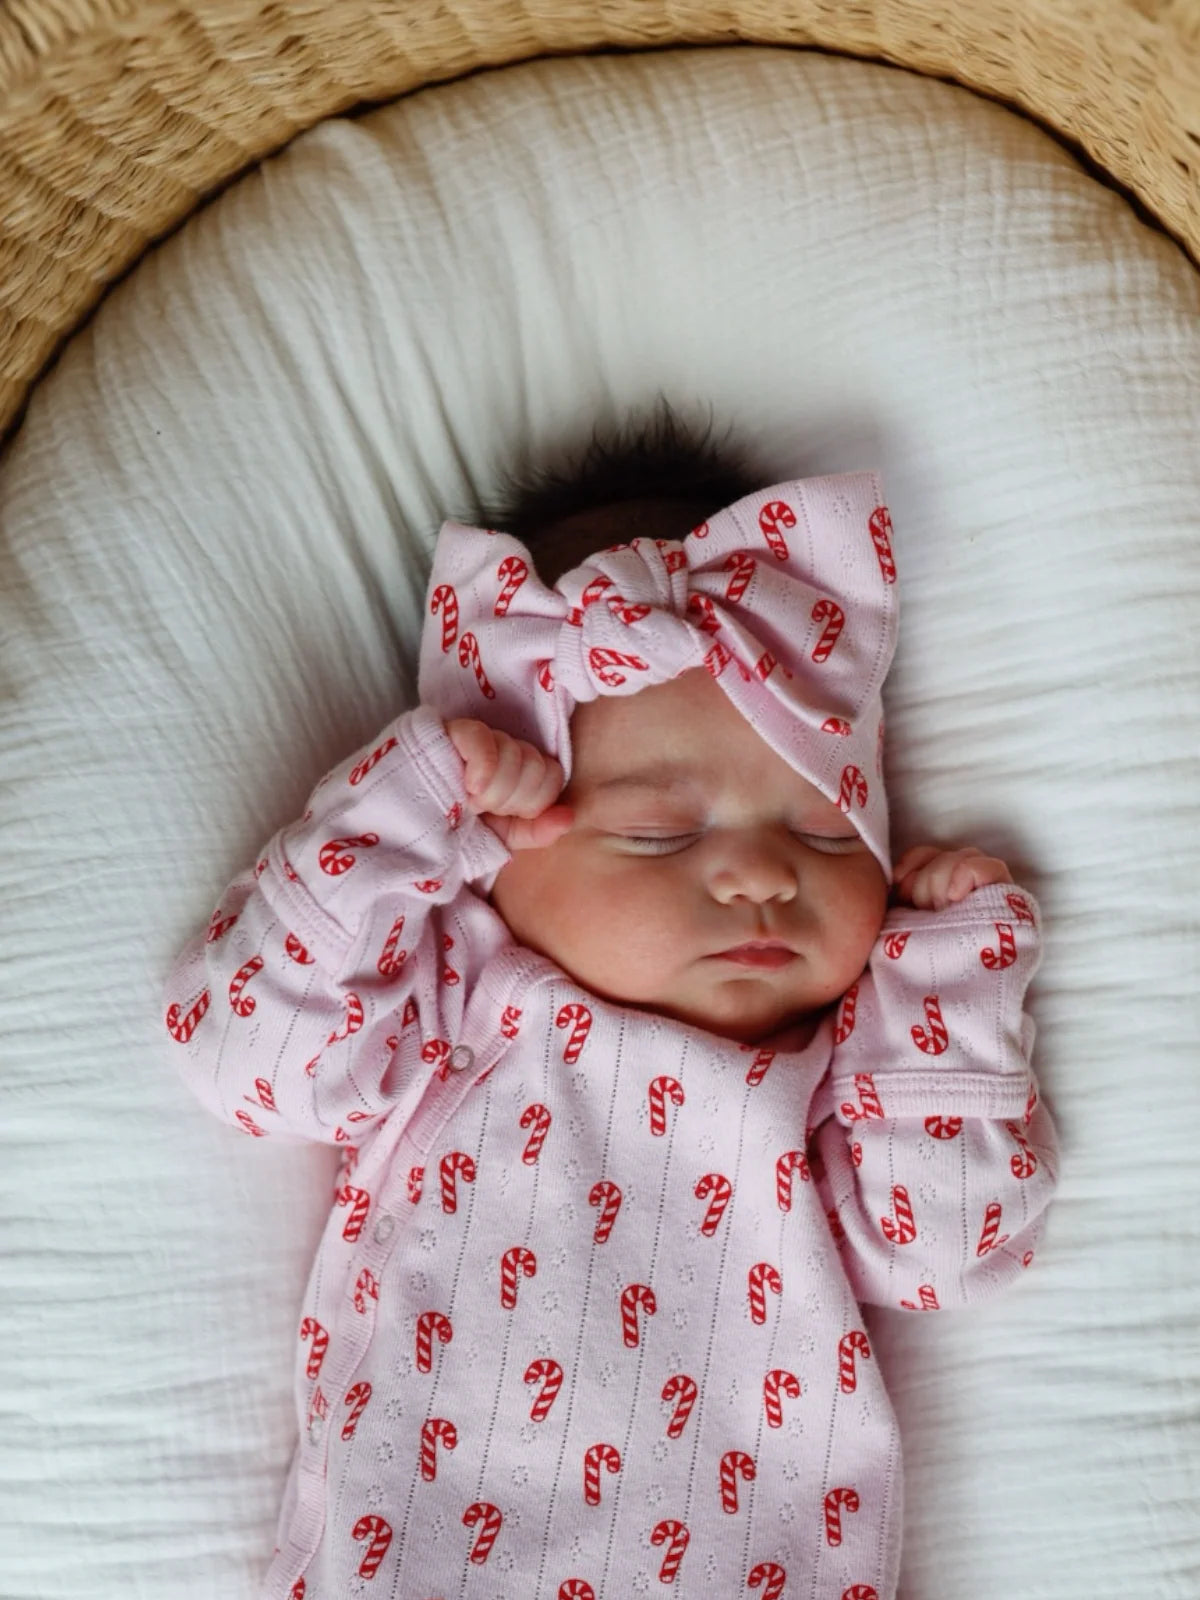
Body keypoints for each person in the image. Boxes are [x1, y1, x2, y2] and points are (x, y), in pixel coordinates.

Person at [164, 403, 1059, 1600]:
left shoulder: (839, 1075)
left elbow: (951, 1250)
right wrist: (400, 810)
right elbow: (239, 1052)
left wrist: (944, 980)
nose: (761, 873)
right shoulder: (448, 1004)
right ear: (493, 844)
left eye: (819, 829)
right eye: (656, 831)